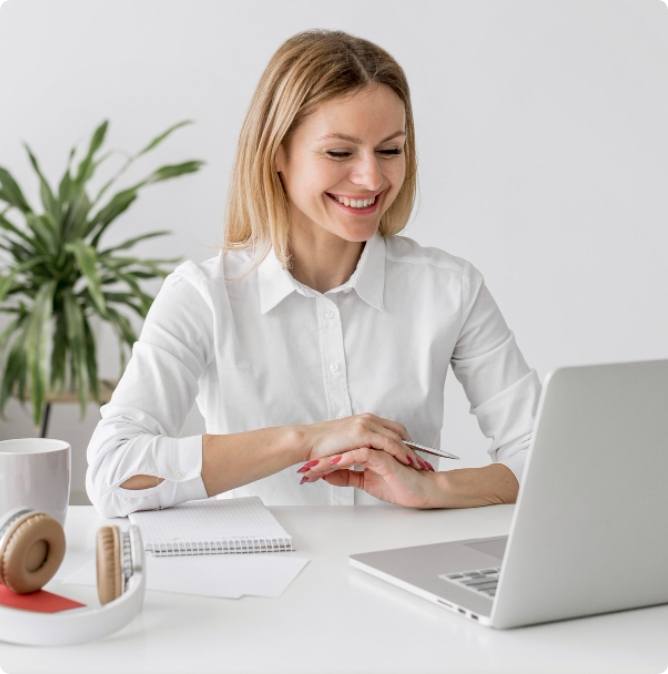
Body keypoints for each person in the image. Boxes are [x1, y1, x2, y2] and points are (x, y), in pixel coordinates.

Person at [86, 29, 541, 518]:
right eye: (340, 153)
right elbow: (113, 472)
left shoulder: (450, 288)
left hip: (407, 576)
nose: (371, 178)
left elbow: (544, 457)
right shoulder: (203, 295)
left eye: (390, 150)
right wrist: (305, 439)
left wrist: (430, 491)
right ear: (277, 153)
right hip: (260, 581)